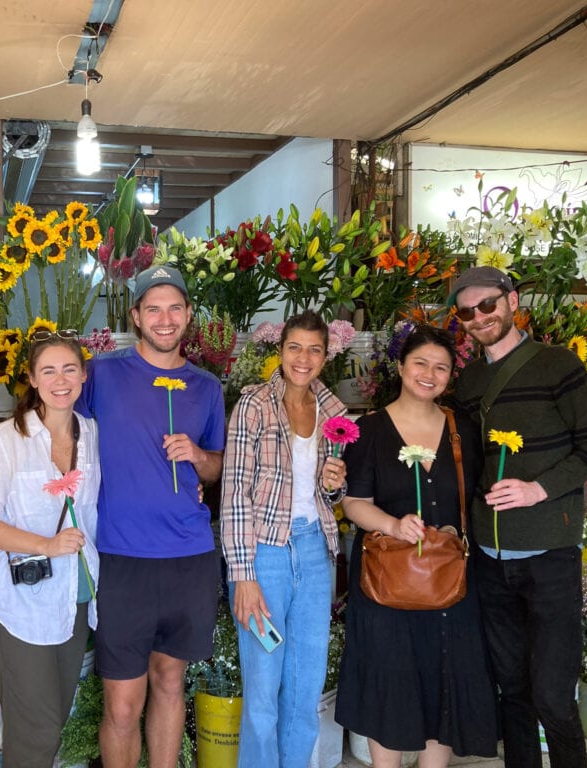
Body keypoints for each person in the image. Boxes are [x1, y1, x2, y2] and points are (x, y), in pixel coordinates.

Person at [450, 267, 587, 768]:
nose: (480, 317)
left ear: (512, 300)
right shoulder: (470, 381)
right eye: (467, 311)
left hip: (549, 557)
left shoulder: (556, 365)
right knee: (513, 693)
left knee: (552, 697)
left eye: (488, 305)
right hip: (489, 559)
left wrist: (536, 489)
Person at [77, 264, 226, 768]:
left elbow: (215, 468)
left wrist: (198, 456)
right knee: (122, 702)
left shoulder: (206, 387)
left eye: (175, 308)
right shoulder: (101, 374)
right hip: (122, 558)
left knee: (169, 680)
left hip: (189, 557)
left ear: (188, 315)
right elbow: (58, 427)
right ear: (136, 317)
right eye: (154, 309)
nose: (165, 319)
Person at [335, 325, 499, 767]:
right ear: (402, 366)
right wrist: (392, 523)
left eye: (441, 368)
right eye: (421, 363)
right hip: (384, 584)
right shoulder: (368, 430)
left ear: (450, 377)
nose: (430, 374)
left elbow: (478, 497)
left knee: (446, 679)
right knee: (389, 683)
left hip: (451, 582)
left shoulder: (461, 430)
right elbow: (353, 503)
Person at [0, 330, 100, 767]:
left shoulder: (94, 434)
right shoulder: (5, 439)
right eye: (49, 371)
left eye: (69, 369)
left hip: (76, 598)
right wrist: (46, 544)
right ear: (32, 379)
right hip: (24, 603)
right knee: (35, 729)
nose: (60, 380)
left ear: (83, 375)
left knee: (55, 719)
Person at [220, 310, 349, 767]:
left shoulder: (334, 411)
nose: (304, 358)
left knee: (305, 684)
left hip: (315, 552)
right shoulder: (253, 405)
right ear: (280, 351)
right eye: (295, 347)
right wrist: (244, 576)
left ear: (326, 356)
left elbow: (329, 493)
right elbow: (234, 494)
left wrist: (335, 482)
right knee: (262, 688)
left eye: (315, 349)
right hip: (266, 555)